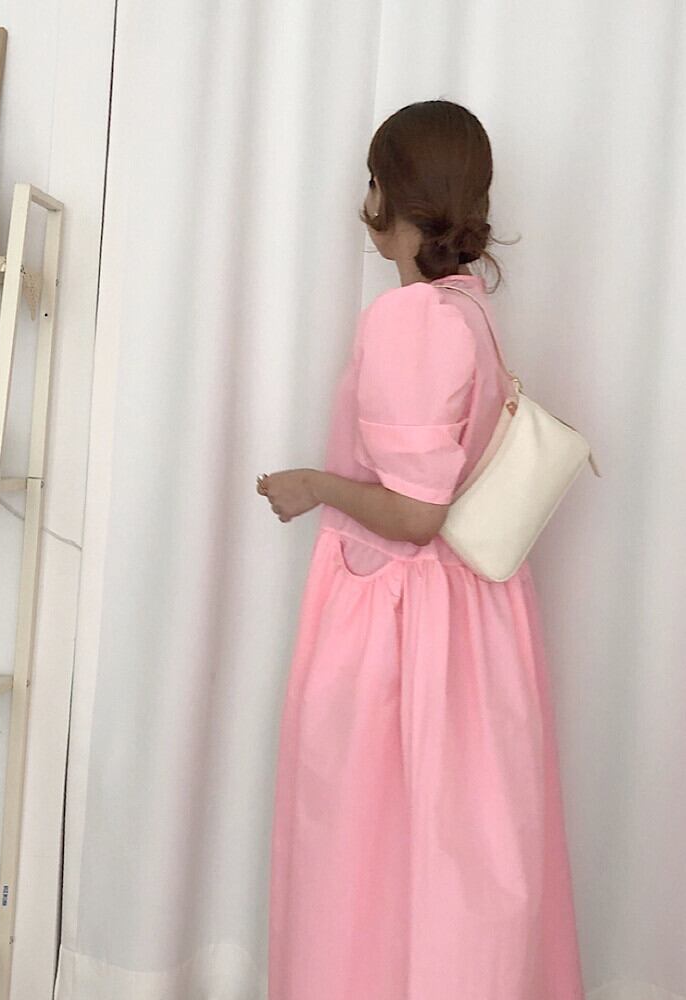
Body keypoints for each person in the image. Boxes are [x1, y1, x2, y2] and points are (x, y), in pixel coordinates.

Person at [258, 99, 585, 1000]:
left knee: (365, 853)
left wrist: (314, 485)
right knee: (458, 860)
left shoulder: (409, 319)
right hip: (475, 619)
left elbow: (413, 516)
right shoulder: (469, 309)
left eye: (372, 179)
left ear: (390, 196)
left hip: (400, 624)